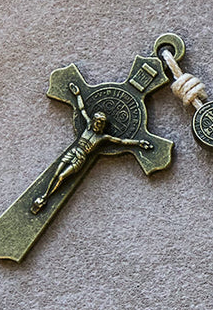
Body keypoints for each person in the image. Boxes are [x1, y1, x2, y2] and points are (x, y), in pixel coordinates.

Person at [31, 83, 152, 213]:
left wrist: (139, 142)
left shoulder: (102, 137)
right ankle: (43, 195)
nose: (98, 125)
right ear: (94, 121)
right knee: (55, 173)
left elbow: (122, 141)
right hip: (73, 152)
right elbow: (82, 109)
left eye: (101, 124)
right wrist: (77, 94)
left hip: (80, 158)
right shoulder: (88, 125)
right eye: (98, 122)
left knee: (61, 177)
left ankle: (46, 197)